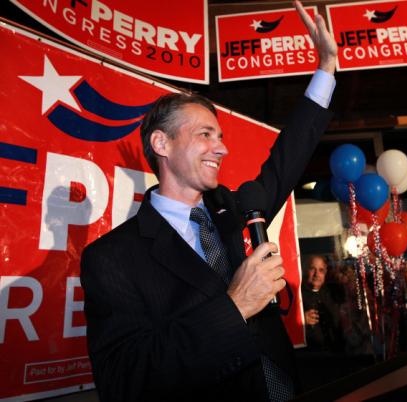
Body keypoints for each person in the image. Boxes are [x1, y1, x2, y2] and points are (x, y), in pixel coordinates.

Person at [80, 2, 338, 401]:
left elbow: (287, 160)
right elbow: (127, 381)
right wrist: (235, 307)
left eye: (220, 137)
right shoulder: (112, 258)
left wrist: (326, 68)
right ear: (161, 143)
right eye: (205, 135)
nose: (221, 148)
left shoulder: (236, 209)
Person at [301, 255, 344, 353]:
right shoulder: (296, 296)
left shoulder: (333, 293)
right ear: (305, 270)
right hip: (310, 354)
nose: (317, 274)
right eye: (312, 269)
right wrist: (302, 319)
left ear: (325, 273)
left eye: (321, 270)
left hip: (335, 352)